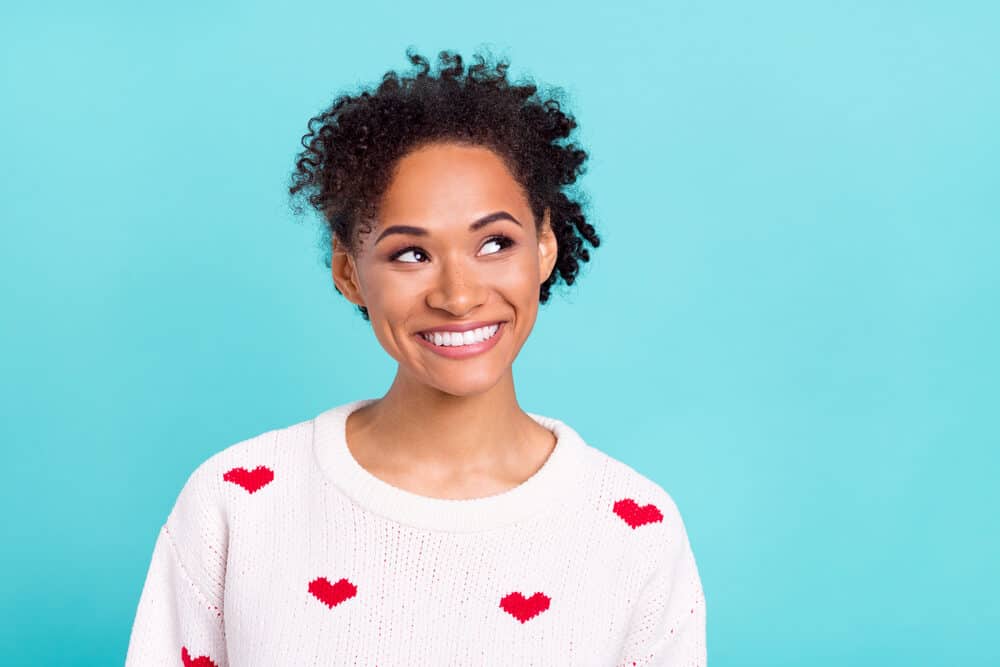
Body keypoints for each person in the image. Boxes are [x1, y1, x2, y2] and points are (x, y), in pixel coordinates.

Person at [124, 48, 706, 666]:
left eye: (495, 243)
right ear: (350, 273)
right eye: (411, 254)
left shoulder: (633, 526)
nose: (458, 296)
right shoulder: (238, 502)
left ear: (543, 247)